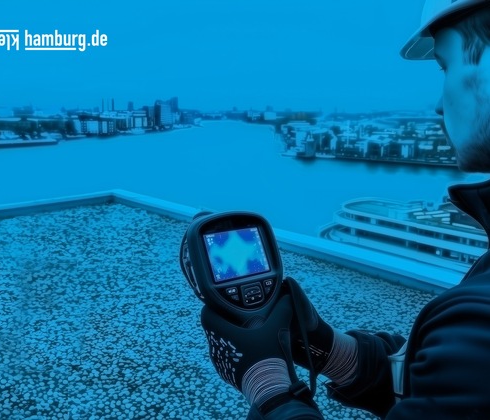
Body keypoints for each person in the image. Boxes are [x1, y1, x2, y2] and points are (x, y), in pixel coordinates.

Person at [198, 0, 490, 418]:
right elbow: (436, 384)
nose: (439, 106)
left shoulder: (479, 329)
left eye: (445, 67)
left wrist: (268, 388)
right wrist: (327, 347)